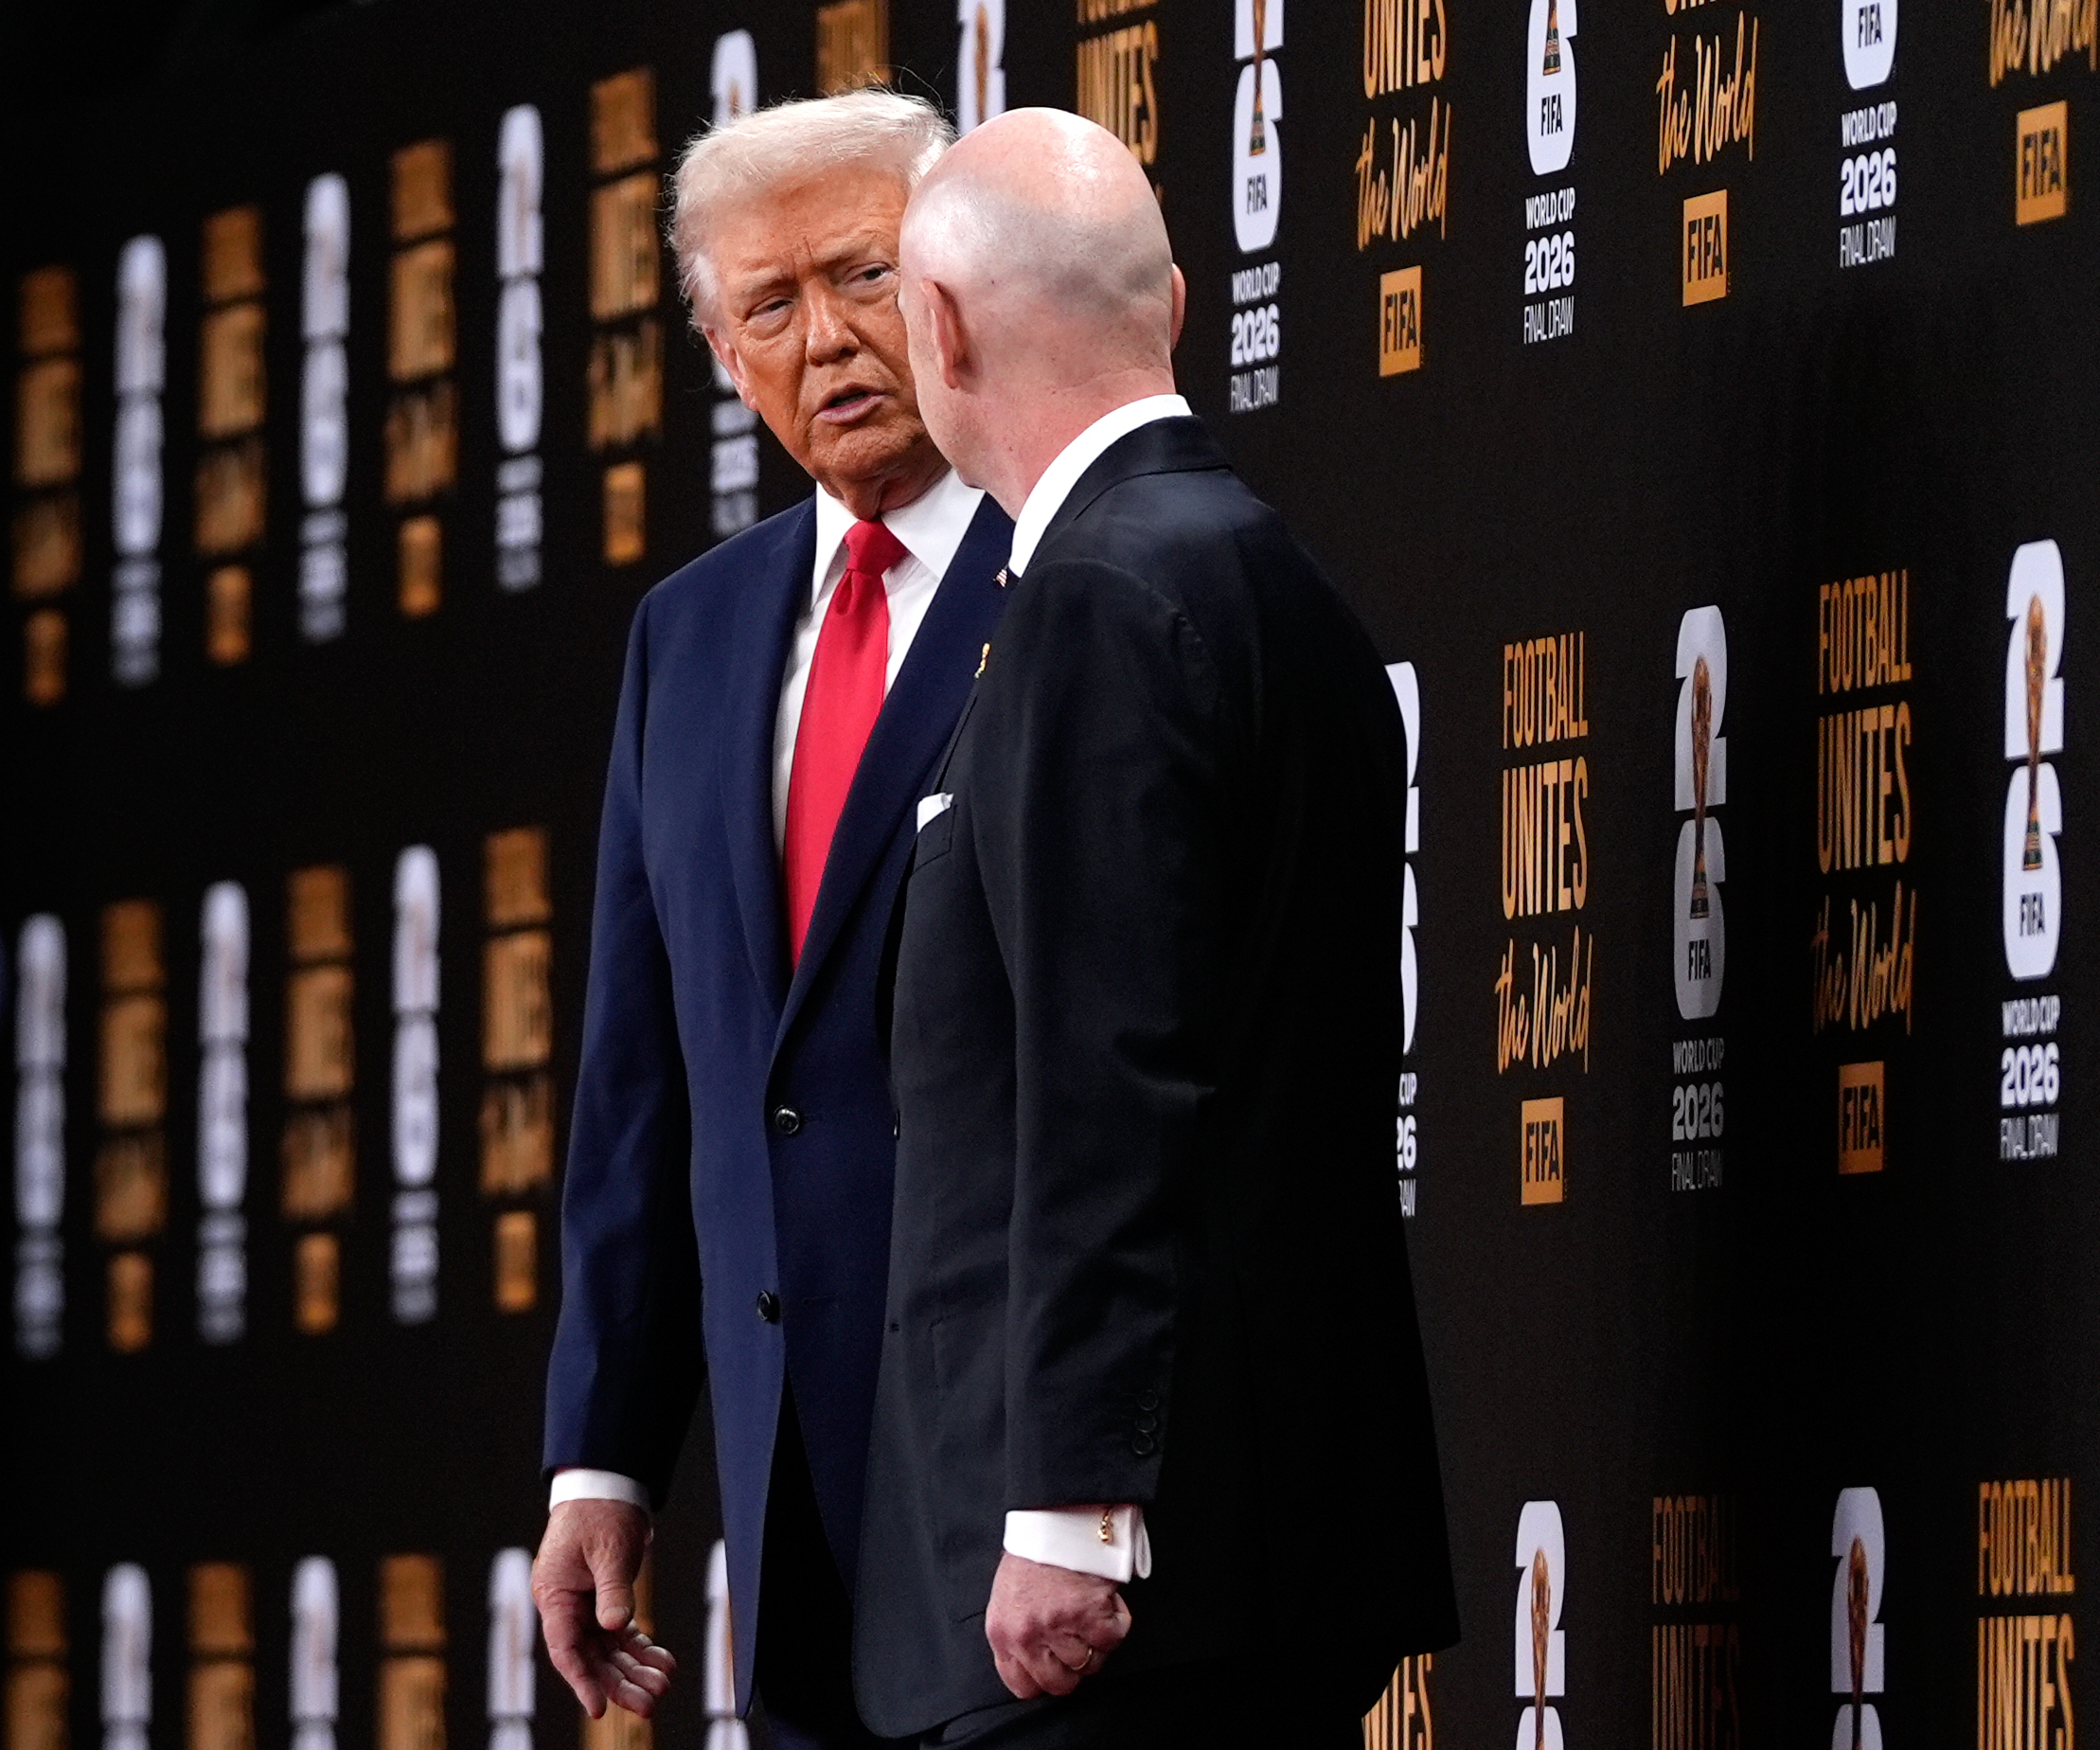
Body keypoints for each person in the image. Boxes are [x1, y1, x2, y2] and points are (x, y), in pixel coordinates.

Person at [852, 109, 1458, 1747]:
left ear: (946, 327)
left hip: (1114, 1608)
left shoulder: (1099, 599)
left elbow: (1111, 1079)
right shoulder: (1277, 585)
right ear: (1175, 304)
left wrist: (1065, 1511)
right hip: (1261, 1546)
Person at [533, 89, 1012, 1750]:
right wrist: (602, 1454)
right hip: (783, 1471)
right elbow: (643, 1075)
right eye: (767, 307)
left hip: (1032, 1468)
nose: (825, 341)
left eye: (862, 277)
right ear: (722, 358)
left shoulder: (1086, 571)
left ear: (957, 286)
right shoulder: (692, 633)